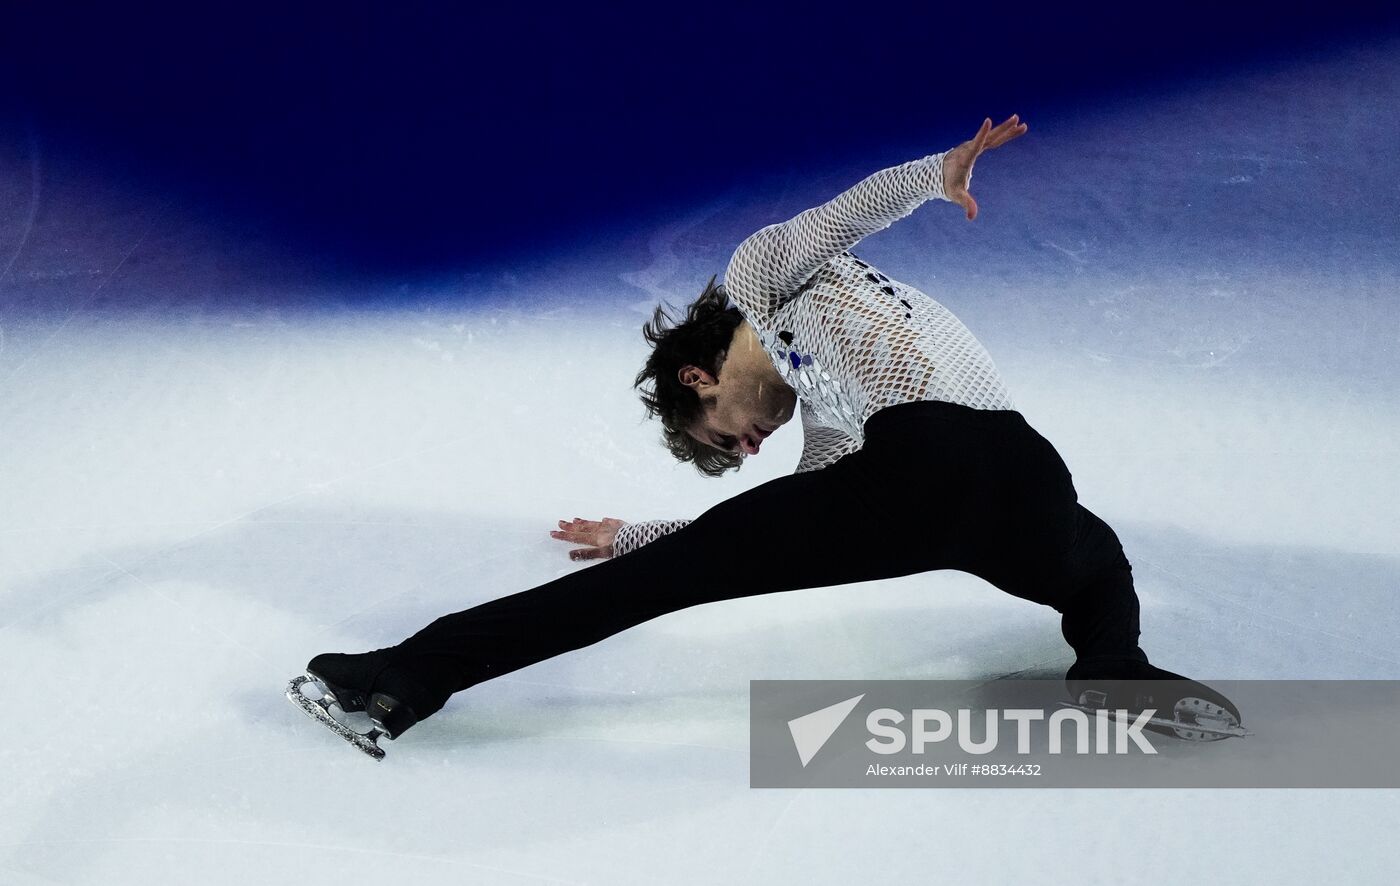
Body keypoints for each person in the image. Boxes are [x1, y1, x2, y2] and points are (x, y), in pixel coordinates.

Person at [289, 115, 1242, 758]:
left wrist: (933, 175)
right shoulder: (834, 425)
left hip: (933, 465)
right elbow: (740, 535)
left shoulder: (757, 285)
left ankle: (403, 678)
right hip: (1023, 475)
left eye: (725, 435)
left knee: (654, 589)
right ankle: (1112, 662)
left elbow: (839, 219)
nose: (746, 447)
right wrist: (637, 538)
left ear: (698, 375)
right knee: (1097, 558)